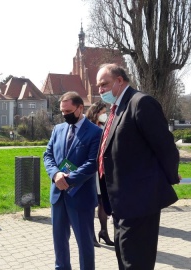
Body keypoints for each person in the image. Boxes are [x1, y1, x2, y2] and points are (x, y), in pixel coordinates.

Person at [96, 63, 181, 269]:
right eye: (98, 86)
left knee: (136, 263)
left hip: (140, 201)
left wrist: (170, 177)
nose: (100, 90)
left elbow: (165, 146)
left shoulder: (141, 103)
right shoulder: (116, 109)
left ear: (119, 80)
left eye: (104, 84)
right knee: (125, 260)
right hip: (120, 203)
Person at [43, 91, 102, 270]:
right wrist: (55, 175)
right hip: (58, 196)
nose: (65, 115)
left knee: (84, 243)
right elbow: (48, 155)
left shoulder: (95, 132)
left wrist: (68, 179)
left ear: (80, 108)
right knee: (59, 242)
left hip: (81, 196)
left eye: (68, 111)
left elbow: (93, 163)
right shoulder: (58, 129)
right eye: (62, 112)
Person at [85, 100, 114, 248]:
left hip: (102, 171)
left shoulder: (104, 127)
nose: (105, 115)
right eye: (103, 113)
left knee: (103, 202)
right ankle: (90, 235)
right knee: (91, 203)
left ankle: (104, 231)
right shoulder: (87, 127)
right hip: (91, 171)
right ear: (96, 113)